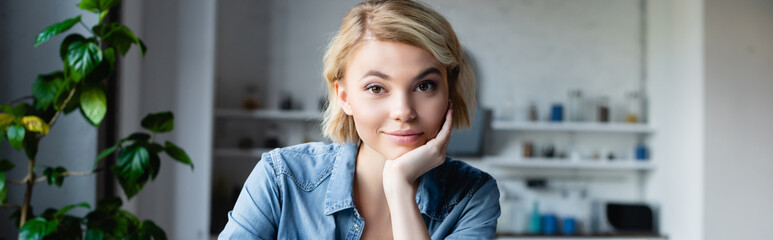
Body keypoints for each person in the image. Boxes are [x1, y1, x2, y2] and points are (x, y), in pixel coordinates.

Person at [219, 0, 500, 239]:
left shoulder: (473, 195)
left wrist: (399, 186)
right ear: (344, 97)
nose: (403, 111)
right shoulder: (281, 179)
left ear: (449, 91)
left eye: (424, 85)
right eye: (376, 88)